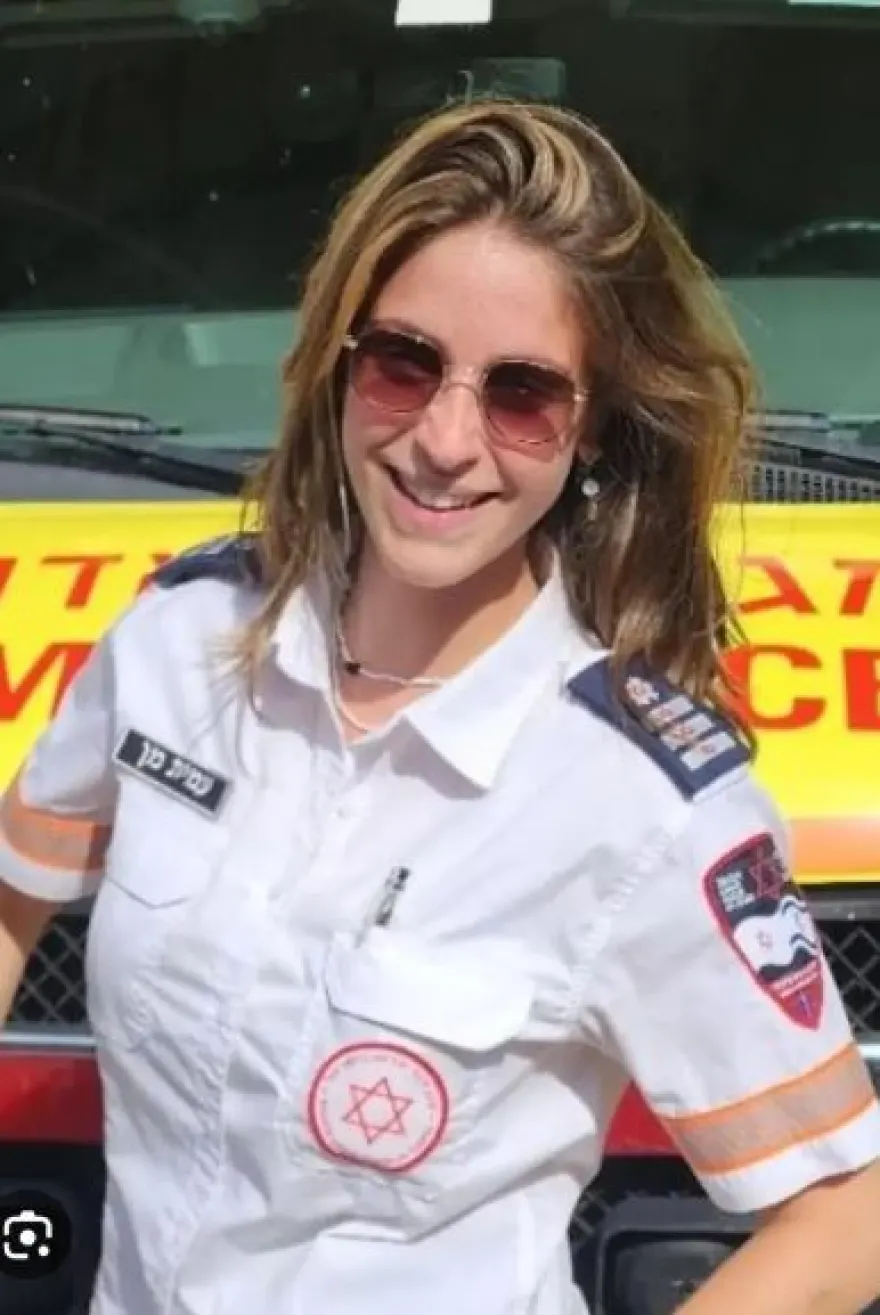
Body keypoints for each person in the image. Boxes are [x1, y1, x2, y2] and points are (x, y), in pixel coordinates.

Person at [1, 98, 878, 1315]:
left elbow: (845, 1213)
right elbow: (14, 898)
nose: (445, 440)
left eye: (521, 393)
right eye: (404, 363)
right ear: (338, 360)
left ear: (591, 430)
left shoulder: (641, 803)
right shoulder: (177, 640)